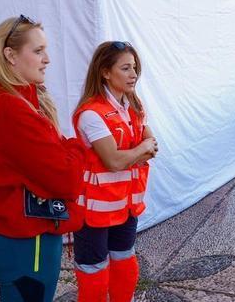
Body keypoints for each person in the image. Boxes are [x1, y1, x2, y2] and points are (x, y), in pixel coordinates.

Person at [0, 15, 87, 302]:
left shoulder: (11, 100)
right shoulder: (11, 108)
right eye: (38, 50)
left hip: (16, 238)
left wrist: (63, 148)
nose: (47, 59)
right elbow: (67, 179)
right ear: (10, 55)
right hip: (25, 242)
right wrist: (75, 146)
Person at [71, 41, 158, 302]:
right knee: (94, 277)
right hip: (94, 213)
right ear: (105, 72)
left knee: (125, 268)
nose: (134, 74)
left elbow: (152, 145)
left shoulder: (133, 107)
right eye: (125, 68)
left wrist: (140, 149)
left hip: (126, 206)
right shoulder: (91, 114)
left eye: (134, 68)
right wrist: (140, 150)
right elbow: (114, 161)